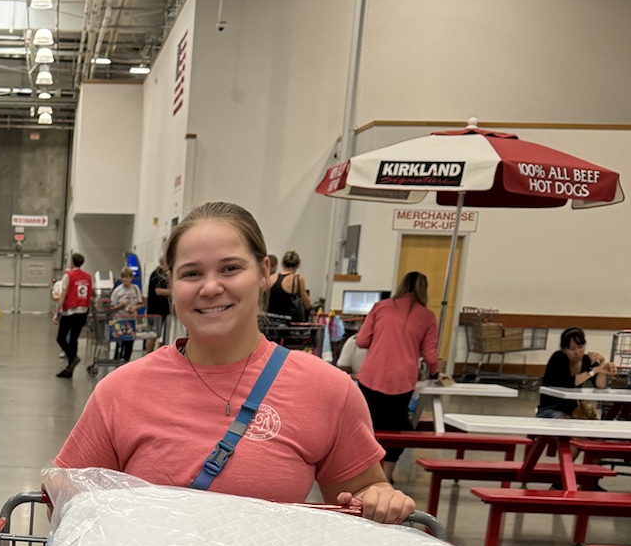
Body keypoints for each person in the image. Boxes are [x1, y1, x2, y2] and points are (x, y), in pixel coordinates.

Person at [55, 200, 414, 524]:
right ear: (171, 284)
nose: (211, 288)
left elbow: (361, 493)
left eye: (230, 268)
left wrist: (380, 498)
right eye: (191, 273)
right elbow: (68, 500)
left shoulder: (326, 390)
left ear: (263, 272)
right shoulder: (121, 391)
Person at [354, 272, 445, 474]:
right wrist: (434, 373)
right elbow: (431, 356)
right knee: (397, 429)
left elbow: (361, 340)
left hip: (371, 376)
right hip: (402, 381)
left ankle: (367, 474)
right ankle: (387, 475)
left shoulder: (380, 307)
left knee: (368, 427)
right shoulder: (427, 316)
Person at [538, 327, 609, 415]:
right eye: (572, 349)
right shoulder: (558, 358)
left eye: (580, 347)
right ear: (564, 349)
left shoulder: (587, 360)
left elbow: (600, 385)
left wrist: (602, 363)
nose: (577, 352)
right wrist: (593, 372)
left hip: (572, 408)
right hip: (551, 407)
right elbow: (569, 382)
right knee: (563, 419)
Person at [56, 252, 93, 377]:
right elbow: (90, 294)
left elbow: (63, 295)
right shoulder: (88, 277)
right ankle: (70, 369)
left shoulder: (68, 276)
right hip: (83, 312)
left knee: (61, 338)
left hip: (70, 311)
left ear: (72, 262)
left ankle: (73, 357)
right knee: (74, 338)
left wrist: (57, 311)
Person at [265, 250, 311, 321]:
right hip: (289, 323)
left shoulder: (271, 278)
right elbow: (307, 304)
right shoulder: (297, 279)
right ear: (297, 265)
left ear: (282, 264)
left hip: (271, 321)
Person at [145, 259, 171, 342]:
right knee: (153, 334)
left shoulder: (163, 274)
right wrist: (174, 292)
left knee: (159, 334)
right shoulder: (158, 274)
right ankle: (149, 349)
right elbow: (158, 291)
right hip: (156, 311)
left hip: (162, 310)